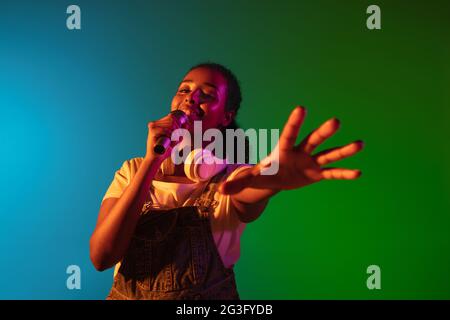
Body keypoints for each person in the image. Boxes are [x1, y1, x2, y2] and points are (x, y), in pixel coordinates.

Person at [89, 62, 364, 300]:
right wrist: (152, 162)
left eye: (207, 94)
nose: (191, 98)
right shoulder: (132, 170)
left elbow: (248, 189)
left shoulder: (231, 177)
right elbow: (102, 257)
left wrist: (273, 180)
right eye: (184, 89)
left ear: (226, 117)